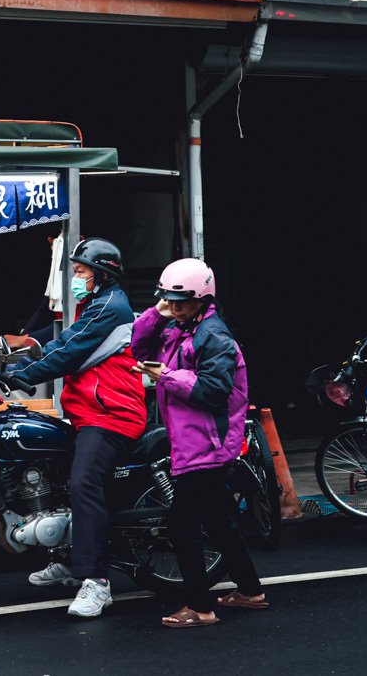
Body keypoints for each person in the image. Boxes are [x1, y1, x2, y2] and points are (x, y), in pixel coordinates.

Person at [9, 237, 146, 618]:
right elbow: (59, 341)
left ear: (102, 274)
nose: (76, 277)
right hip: (88, 411)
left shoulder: (109, 306)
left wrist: (15, 378)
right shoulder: (94, 303)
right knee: (61, 478)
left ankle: (97, 582)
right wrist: (10, 361)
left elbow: (67, 352)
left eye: (81, 271)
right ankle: (70, 561)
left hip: (113, 415)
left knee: (85, 482)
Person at [130, 257, 268, 628]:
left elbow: (213, 390)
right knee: (219, 520)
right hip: (193, 443)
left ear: (203, 299)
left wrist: (168, 376)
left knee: (182, 526)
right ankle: (251, 592)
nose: (173, 307)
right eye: (168, 300)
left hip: (207, 446)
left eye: (180, 301)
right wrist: (156, 314)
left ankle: (199, 607)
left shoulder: (214, 337)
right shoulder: (181, 327)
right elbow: (139, 350)